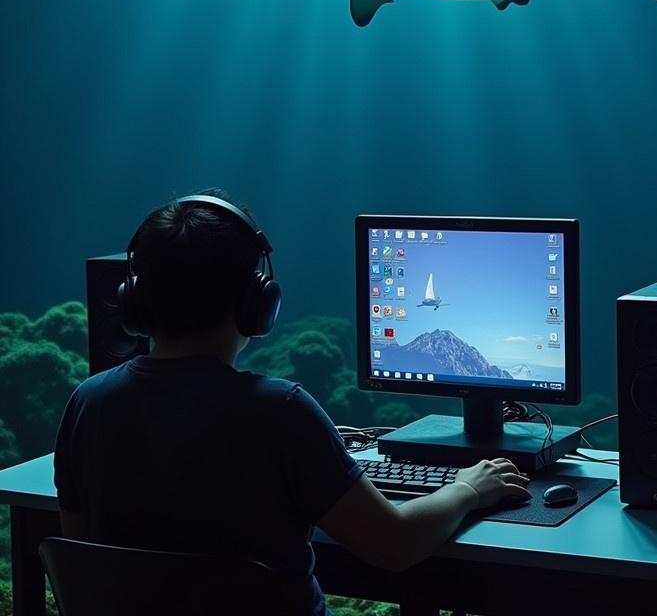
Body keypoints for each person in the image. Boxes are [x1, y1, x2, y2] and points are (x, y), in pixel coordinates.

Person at [54, 191, 531, 615]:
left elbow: (85, 555)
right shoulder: (280, 412)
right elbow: (396, 545)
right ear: (257, 302)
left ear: (135, 299)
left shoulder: (87, 403)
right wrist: (469, 488)